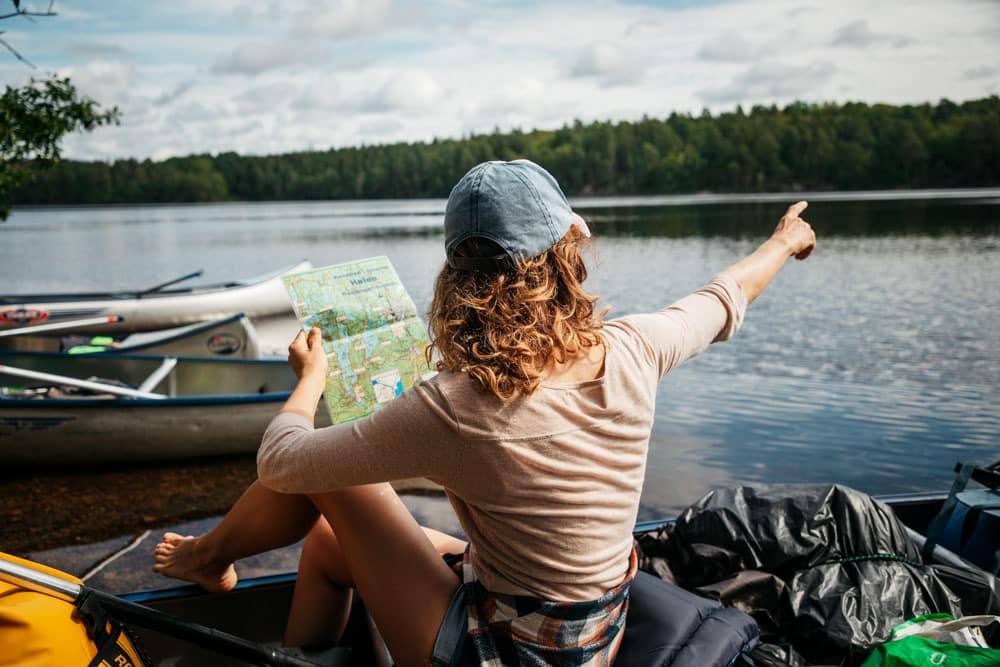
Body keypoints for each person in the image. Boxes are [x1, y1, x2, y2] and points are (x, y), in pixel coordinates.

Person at [153, 159, 815, 666]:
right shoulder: (636, 347)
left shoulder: (457, 404)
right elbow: (724, 296)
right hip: (593, 636)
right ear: (565, 256)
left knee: (329, 475)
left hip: (508, 652)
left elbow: (280, 459)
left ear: (459, 280)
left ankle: (211, 557)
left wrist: (311, 381)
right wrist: (785, 240)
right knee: (328, 545)